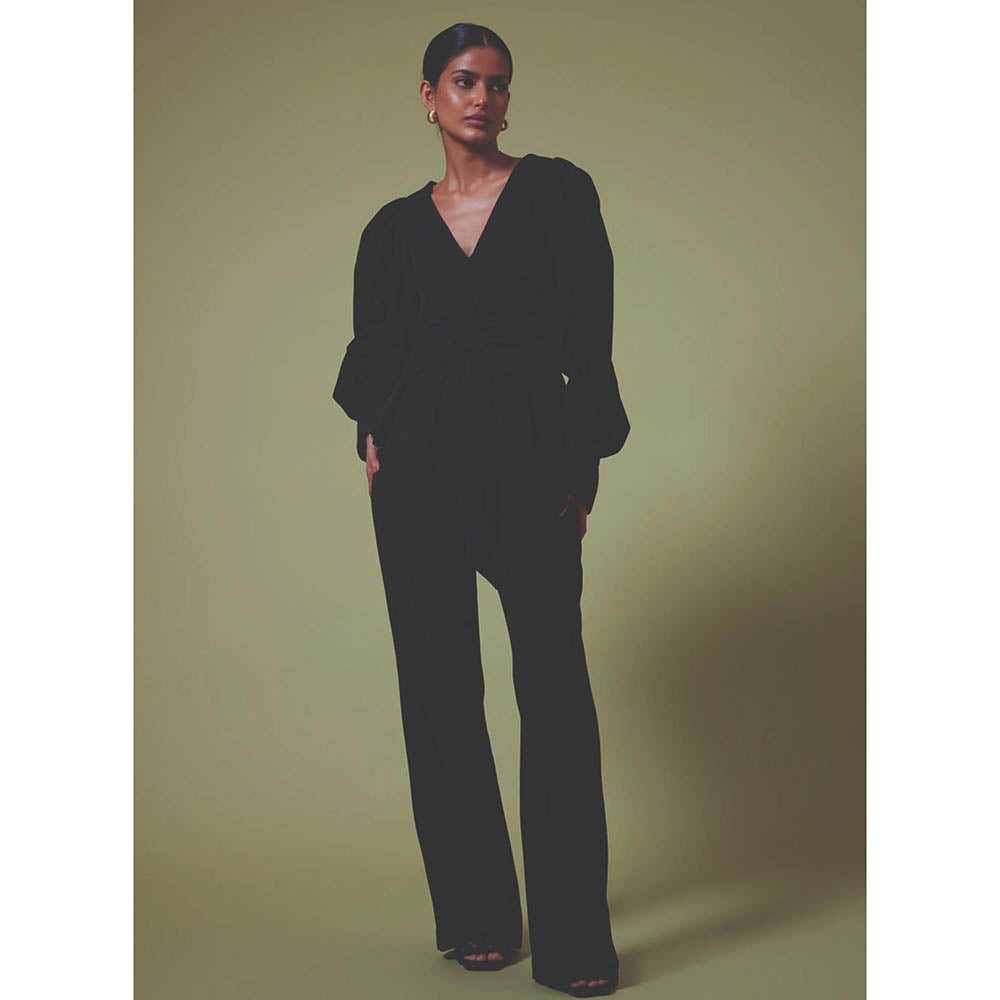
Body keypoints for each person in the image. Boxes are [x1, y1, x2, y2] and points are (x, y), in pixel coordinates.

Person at [331, 22, 629, 999]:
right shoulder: (392, 228)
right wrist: (373, 436)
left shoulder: (555, 193)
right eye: (464, 81)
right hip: (416, 469)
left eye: (497, 84)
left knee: (554, 691)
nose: (482, 99)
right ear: (429, 96)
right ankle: (476, 915)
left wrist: (577, 472)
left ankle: (575, 940)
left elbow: (590, 334)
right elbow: (378, 345)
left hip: (528, 463)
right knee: (438, 691)